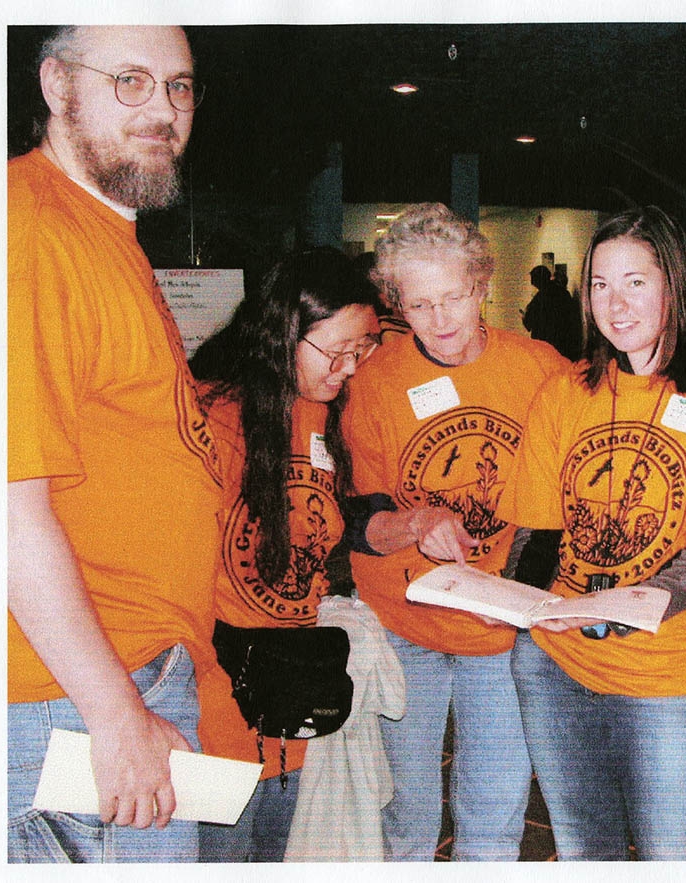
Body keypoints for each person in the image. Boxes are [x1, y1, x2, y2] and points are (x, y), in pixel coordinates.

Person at [8, 26, 222, 862]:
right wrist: (113, 713)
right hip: (68, 698)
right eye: (129, 81)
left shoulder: (101, 227)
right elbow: (8, 504)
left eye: (180, 86)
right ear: (58, 85)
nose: (163, 109)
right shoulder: (29, 228)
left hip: (127, 670)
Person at [497, 206, 686, 860]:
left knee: (673, 857)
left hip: (666, 677)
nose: (615, 304)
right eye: (599, 284)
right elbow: (537, 531)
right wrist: (518, 601)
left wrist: (600, 612)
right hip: (558, 666)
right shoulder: (567, 392)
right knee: (586, 853)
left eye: (635, 282)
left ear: (672, 284)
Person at [343, 202, 566, 860]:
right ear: (396, 305)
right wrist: (418, 520)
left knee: (495, 805)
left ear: (482, 286)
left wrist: (524, 594)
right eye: (419, 305)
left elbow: (558, 505)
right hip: (404, 620)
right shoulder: (378, 380)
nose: (439, 321)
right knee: (405, 811)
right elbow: (363, 523)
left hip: (500, 628)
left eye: (453, 298)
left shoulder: (540, 369)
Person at [189, 247, 383, 861]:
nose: (350, 369)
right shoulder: (214, 417)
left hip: (295, 700)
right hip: (213, 707)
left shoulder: (321, 412)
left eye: (363, 350)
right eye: (337, 352)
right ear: (283, 333)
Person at [523, 264, 582, 359]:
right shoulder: (563, 293)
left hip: (545, 347)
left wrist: (525, 316)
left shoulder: (539, 298)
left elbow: (528, 323)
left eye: (533, 278)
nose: (531, 282)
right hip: (565, 347)